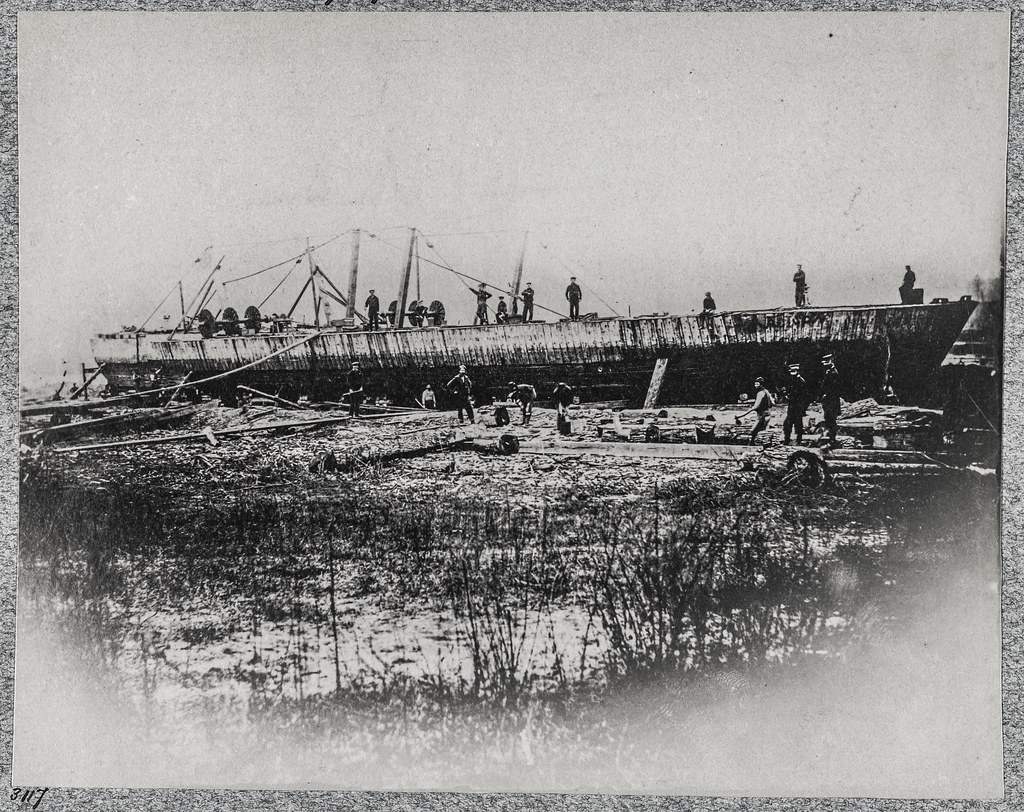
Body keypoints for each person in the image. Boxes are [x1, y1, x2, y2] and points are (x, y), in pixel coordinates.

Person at [737, 377, 775, 445]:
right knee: (762, 429)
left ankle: (753, 443)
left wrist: (752, 408)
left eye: (757, 384)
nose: (756, 386)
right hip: (768, 413)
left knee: (754, 430)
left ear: (761, 385)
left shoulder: (760, 393)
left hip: (762, 415)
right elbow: (772, 402)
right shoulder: (766, 391)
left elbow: (756, 406)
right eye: (755, 384)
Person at [782, 363, 809, 445]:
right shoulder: (791, 380)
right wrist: (786, 394)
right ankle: (787, 440)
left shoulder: (801, 381)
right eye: (791, 371)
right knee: (787, 424)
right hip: (791, 406)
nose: (792, 373)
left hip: (798, 406)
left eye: (794, 371)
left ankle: (799, 440)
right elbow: (789, 391)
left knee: (798, 424)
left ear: (797, 371)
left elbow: (804, 395)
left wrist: (803, 408)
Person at [818, 354, 841, 445]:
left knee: (831, 419)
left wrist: (826, 394)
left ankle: (832, 439)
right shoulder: (829, 372)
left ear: (831, 361)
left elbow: (834, 388)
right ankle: (829, 438)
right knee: (828, 419)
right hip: (828, 400)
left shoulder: (834, 373)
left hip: (832, 400)